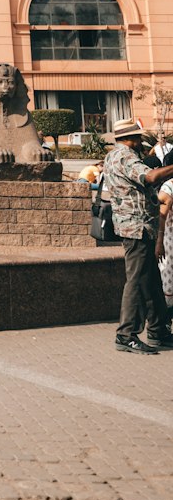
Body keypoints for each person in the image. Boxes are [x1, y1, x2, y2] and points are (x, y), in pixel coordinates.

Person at [105, 118, 173, 354]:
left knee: (151, 279)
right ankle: (126, 334)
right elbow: (150, 177)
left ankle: (158, 330)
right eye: (139, 138)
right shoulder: (125, 156)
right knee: (136, 280)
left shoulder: (112, 155)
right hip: (136, 227)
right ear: (131, 138)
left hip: (137, 226)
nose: (142, 142)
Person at [157, 178, 173, 310]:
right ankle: (166, 319)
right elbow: (161, 216)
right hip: (170, 243)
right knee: (169, 280)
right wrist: (159, 241)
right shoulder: (169, 187)